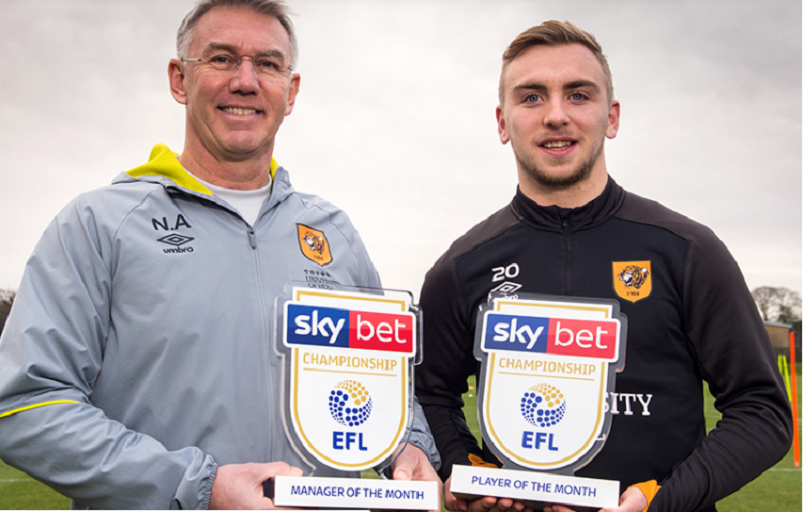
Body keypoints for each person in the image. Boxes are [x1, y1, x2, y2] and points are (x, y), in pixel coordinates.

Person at [0, 0, 440, 509]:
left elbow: (384, 382)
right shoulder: (99, 224)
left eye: (268, 64)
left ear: (291, 91)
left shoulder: (334, 233)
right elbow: (23, 404)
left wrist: (407, 443)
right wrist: (198, 486)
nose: (246, 81)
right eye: (222, 59)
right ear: (179, 79)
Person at [414, 20, 792, 512]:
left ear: (611, 117)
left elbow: (762, 410)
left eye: (578, 95)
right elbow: (429, 397)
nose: (555, 115)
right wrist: (467, 468)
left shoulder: (688, 250)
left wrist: (660, 499)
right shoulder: (460, 268)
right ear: (503, 123)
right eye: (531, 97)